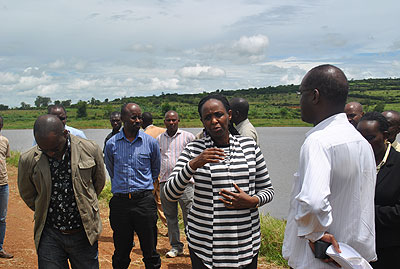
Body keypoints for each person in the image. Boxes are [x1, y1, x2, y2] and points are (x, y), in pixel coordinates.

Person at [282, 64, 377, 268]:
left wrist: (316, 235)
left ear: (315, 96)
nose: (299, 101)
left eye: (301, 94)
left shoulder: (319, 141)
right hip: (353, 258)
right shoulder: (360, 142)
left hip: (321, 259)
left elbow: (314, 202)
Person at [163, 94, 274, 268]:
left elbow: (268, 190)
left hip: (246, 242)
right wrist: (194, 164)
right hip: (204, 243)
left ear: (229, 115)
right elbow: (169, 193)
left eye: (219, 115)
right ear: (202, 121)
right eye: (208, 117)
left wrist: (253, 201)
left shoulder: (249, 147)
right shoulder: (194, 149)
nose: (214, 121)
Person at [18, 115, 106, 268]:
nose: (50, 153)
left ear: (65, 134)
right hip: (50, 234)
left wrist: (84, 203)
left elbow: (98, 183)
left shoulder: (89, 149)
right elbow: (28, 193)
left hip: (83, 233)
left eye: (54, 149)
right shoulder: (28, 159)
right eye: (44, 150)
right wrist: (43, 207)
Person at [104, 103, 161, 269]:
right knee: (121, 252)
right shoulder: (112, 144)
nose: (138, 120)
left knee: (150, 250)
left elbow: (155, 170)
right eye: (133, 117)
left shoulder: (150, 143)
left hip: (144, 202)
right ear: (123, 119)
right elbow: (111, 169)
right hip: (120, 204)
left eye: (139, 117)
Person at [357, 112, 400, 268]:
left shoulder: (397, 165)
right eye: (359, 139)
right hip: (354, 251)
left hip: (389, 252)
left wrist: (365, 213)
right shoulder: (352, 165)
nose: (364, 144)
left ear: (385, 135)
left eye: (370, 138)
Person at [158, 111, 195, 258]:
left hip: (186, 183)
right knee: (170, 216)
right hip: (165, 182)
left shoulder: (188, 137)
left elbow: (196, 158)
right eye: (168, 120)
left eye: (174, 120)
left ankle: (194, 247)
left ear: (178, 120)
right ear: (164, 122)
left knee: (190, 215)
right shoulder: (159, 139)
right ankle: (176, 247)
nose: (171, 123)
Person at [142, 111, 168, 229]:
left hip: (151, 172)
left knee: (150, 201)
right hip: (164, 169)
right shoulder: (163, 131)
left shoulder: (144, 135)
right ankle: (169, 225)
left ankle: (151, 226)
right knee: (162, 200)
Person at [0, 116, 12, 259]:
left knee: (2, 218)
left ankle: (0, 248)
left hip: (3, 184)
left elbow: (6, 157)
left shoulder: (4, 141)